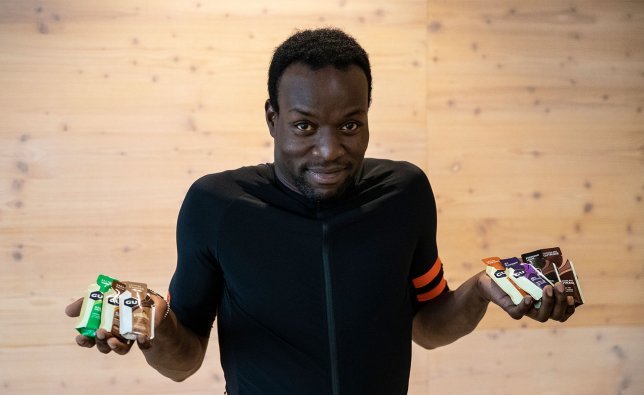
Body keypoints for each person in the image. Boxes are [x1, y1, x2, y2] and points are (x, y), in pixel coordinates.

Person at [66, 28, 575, 394]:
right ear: (273, 118)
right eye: (305, 126)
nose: (330, 150)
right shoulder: (216, 206)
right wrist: (153, 326)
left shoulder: (405, 193)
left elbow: (428, 326)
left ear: (368, 117)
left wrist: (480, 290)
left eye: (350, 125)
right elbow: (184, 361)